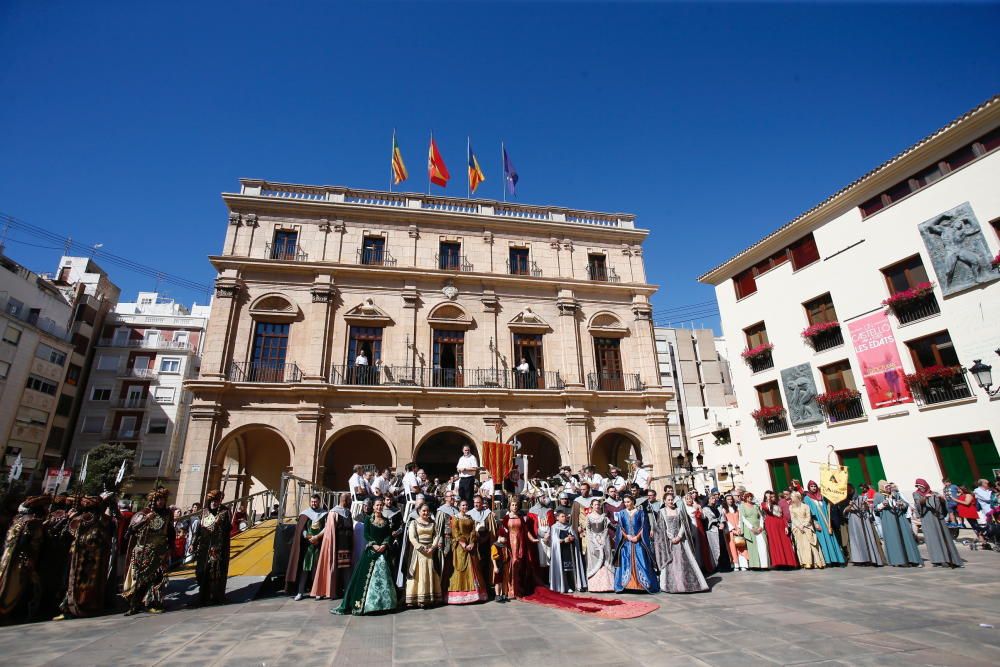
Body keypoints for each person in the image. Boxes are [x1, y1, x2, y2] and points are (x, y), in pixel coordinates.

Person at [333, 498, 398, 615]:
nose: (379, 507)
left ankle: (385, 604)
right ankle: (367, 605)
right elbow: (366, 534)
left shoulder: (386, 520)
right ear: (373, 507)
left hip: (383, 551)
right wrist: (374, 545)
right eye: (377, 505)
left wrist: (384, 544)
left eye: (381, 505)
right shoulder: (368, 519)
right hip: (371, 552)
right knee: (363, 579)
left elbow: (388, 535)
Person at [122, 488, 174, 616]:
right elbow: (130, 531)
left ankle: (154, 603)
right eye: (157, 499)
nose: (160, 502)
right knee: (140, 579)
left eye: (162, 499)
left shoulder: (167, 514)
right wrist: (146, 520)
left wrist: (170, 545)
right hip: (143, 551)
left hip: (160, 550)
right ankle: (135, 604)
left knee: (158, 579)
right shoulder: (143, 513)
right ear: (152, 500)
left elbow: (170, 531)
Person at [0, 496, 48, 621]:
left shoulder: (18, 520)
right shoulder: (32, 522)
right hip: (19, 560)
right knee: (15, 585)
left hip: (9, 558)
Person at [656, 493, 709, 593]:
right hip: (669, 541)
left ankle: (686, 584)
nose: (671, 501)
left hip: (681, 539)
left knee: (683, 561)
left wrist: (679, 536)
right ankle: (670, 585)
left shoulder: (679, 510)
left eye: (672, 499)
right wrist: (671, 537)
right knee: (671, 562)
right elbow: (662, 528)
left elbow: (684, 524)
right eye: (669, 500)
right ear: (664, 501)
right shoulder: (662, 512)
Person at [190, 489, 231, 607]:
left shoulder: (224, 512)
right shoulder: (204, 512)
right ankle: (203, 594)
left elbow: (228, 529)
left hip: (217, 548)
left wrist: (220, 523)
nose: (214, 503)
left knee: (214, 573)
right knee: (201, 572)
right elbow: (198, 530)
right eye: (212, 501)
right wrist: (193, 543)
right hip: (203, 547)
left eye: (217, 501)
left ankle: (214, 596)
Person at [613, 494, 659, 593]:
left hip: (638, 543)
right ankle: (627, 585)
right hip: (626, 543)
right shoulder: (621, 513)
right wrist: (627, 536)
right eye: (625, 502)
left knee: (641, 560)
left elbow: (643, 527)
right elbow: (620, 528)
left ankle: (642, 585)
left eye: (628, 502)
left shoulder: (640, 513)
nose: (626, 504)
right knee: (626, 562)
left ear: (633, 501)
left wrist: (637, 537)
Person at [285, 494, 327, 601]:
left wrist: (317, 537)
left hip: (319, 545)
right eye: (312, 501)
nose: (314, 503)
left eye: (315, 502)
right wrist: (309, 537)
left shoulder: (324, 514)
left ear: (319, 502)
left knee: (316, 569)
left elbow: (326, 528)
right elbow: (301, 529)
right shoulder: (305, 514)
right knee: (305, 569)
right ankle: (300, 592)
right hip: (308, 547)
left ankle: (317, 591)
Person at [312, 493, 353, 600]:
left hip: (347, 546)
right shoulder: (334, 513)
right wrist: (317, 536)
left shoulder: (348, 512)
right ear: (345, 500)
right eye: (350, 500)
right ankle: (332, 591)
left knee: (347, 570)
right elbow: (328, 530)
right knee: (335, 570)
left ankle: (348, 591)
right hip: (337, 546)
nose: (351, 502)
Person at [913, 478, 962, 567]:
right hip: (927, 519)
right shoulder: (916, 494)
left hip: (938, 518)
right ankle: (937, 560)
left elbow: (943, 505)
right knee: (932, 539)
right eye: (918, 486)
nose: (920, 488)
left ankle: (949, 558)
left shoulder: (934, 493)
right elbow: (918, 504)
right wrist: (924, 498)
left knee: (943, 537)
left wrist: (942, 499)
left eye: (921, 486)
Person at [38, 494, 73, 618]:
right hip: (53, 554)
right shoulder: (54, 517)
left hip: (59, 554)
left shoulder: (57, 517)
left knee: (56, 580)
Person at [447, 499, 487, 604]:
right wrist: (463, 544)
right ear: (459, 507)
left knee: (473, 568)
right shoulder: (455, 518)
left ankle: (475, 594)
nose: (465, 507)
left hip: (470, 545)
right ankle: (459, 594)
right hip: (460, 547)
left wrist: (472, 543)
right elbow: (455, 532)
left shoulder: (470, 518)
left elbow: (473, 531)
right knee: (460, 567)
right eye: (463, 505)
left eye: (466, 505)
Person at [873, 482, 921, 567]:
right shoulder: (878, 496)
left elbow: (906, 504)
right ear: (882, 488)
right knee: (894, 539)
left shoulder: (896, 494)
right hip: (888, 520)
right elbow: (875, 509)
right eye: (886, 487)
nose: (888, 488)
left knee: (906, 537)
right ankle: (899, 560)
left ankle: (912, 559)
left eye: (889, 486)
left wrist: (901, 504)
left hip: (900, 519)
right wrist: (882, 504)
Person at [403, 503, 441, 608]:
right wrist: (421, 547)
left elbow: (437, 535)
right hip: (419, 552)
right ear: (419, 512)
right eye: (423, 511)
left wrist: (433, 547)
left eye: (427, 511)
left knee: (430, 572)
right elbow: (412, 537)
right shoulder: (414, 523)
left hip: (430, 552)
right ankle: (415, 598)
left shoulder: (433, 523)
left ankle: (430, 598)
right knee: (418, 574)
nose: (425, 513)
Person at [802, 481, 845, 566]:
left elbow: (826, 509)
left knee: (832, 539)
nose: (813, 488)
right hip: (818, 522)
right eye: (811, 486)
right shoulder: (807, 498)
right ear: (809, 488)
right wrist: (815, 523)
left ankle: (838, 560)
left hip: (826, 522)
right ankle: (829, 561)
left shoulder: (821, 496)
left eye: (815, 486)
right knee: (824, 541)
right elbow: (809, 512)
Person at [499, 499, 535, 598]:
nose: (514, 506)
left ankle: (518, 589)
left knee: (519, 564)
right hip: (510, 543)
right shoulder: (506, 518)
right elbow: (502, 530)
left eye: (516, 505)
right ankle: (511, 590)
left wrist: (532, 539)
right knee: (512, 564)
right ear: (509, 506)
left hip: (520, 542)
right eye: (513, 505)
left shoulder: (521, 518)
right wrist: (501, 537)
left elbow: (526, 531)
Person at [843, 486, 885, 566]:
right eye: (847, 490)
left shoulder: (861, 497)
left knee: (867, 539)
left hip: (864, 521)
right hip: (853, 522)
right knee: (857, 540)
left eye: (850, 489)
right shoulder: (846, 500)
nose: (849, 491)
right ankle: (860, 559)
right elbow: (844, 512)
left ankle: (870, 558)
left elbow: (867, 509)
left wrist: (865, 505)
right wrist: (850, 506)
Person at [549, 509, 587, 593]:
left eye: (565, 516)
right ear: (557, 518)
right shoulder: (554, 527)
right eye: (562, 516)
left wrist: (572, 538)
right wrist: (563, 540)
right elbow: (554, 541)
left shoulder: (569, 526)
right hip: (560, 552)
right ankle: (562, 586)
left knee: (570, 570)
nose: (564, 518)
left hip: (569, 552)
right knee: (562, 569)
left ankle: (572, 585)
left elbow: (575, 537)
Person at [467, 495, 496, 598]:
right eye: (475, 502)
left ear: (482, 503)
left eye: (478, 502)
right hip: (474, 545)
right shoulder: (469, 514)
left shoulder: (487, 514)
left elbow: (492, 529)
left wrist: (487, 538)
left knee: (485, 566)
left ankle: (487, 589)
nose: (476, 504)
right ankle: (477, 590)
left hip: (485, 545)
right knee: (475, 566)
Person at [761, 490, 798, 569]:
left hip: (781, 525)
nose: (773, 498)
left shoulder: (778, 504)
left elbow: (783, 516)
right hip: (771, 525)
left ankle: (789, 562)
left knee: (785, 542)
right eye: (771, 497)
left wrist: (786, 526)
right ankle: (779, 563)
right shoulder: (764, 504)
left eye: (774, 496)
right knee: (776, 543)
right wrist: (768, 499)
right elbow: (768, 509)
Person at [584, 499, 615, 592]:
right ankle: (595, 586)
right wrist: (593, 540)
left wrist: (603, 538)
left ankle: (608, 585)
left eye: (598, 504)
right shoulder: (589, 517)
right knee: (595, 559)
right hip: (593, 540)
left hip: (603, 539)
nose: (597, 506)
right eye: (595, 505)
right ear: (592, 506)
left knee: (605, 559)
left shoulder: (604, 516)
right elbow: (588, 529)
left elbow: (606, 528)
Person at [789, 491, 825, 569]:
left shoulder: (805, 506)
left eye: (792, 497)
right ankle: (806, 562)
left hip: (807, 527)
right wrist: (799, 526)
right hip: (798, 528)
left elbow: (808, 517)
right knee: (802, 546)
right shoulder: (791, 507)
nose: (791, 498)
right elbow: (793, 518)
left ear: (797, 497)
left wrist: (804, 525)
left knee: (811, 545)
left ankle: (816, 562)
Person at [526, 493, 554, 582]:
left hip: (549, 538)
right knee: (540, 560)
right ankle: (541, 580)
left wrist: (548, 534)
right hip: (538, 539)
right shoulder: (532, 511)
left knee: (550, 559)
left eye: (545, 497)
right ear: (537, 498)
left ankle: (550, 580)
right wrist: (542, 534)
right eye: (543, 497)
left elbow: (552, 524)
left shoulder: (549, 510)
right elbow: (532, 527)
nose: (545, 499)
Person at [739, 492, 768, 570]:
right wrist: (752, 528)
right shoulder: (742, 506)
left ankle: (764, 565)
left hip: (759, 527)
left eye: (751, 497)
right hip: (750, 529)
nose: (750, 498)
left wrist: (761, 526)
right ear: (745, 498)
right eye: (748, 497)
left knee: (762, 545)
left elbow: (761, 516)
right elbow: (743, 518)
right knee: (753, 547)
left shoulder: (755, 506)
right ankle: (755, 565)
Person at [722, 494, 749, 571]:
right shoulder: (724, 509)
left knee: (741, 546)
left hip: (738, 530)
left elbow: (740, 518)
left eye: (731, 499)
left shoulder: (737, 508)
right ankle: (736, 564)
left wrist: (739, 528)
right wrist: (733, 530)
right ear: (725, 500)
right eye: (728, 499)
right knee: (732, 547)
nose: (730, 500)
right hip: (730, 531)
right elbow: (726, 521)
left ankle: (743, 564)